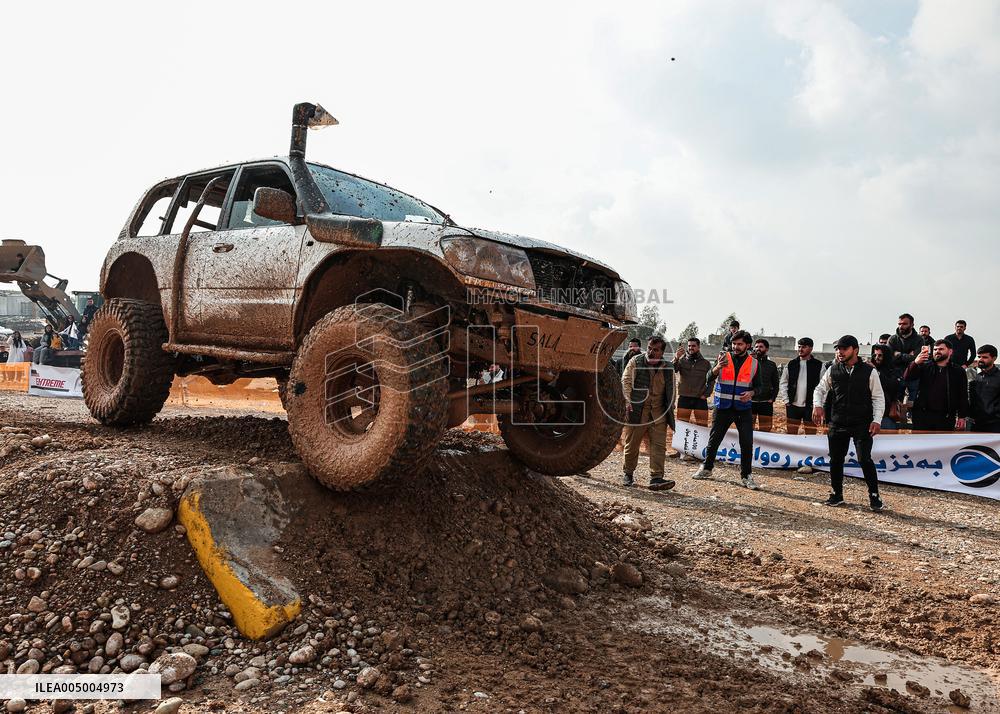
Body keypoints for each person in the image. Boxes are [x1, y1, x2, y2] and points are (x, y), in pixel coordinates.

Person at [812, 335, 886, 512]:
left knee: (864, 459)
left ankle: (874, 496)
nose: (839, 352)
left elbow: (878, 397)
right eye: (837, 349)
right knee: (836, 459)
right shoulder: (832, 370)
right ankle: (837, 494)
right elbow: (820, 389)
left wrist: (877, 420)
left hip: (862, 423)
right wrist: (817, 406)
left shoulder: (870, 371)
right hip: (837, 422)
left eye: (844, 349)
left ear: (855, 350)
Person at [690, 330, 763, 489]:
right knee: (714, 439)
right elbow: (709, 377)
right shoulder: (723, 357)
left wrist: (751, 393)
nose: (736, 347)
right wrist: (716, 368)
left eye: (740, 344)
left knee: (746, 443)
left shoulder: (754, 363)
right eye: (734, 343)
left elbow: (759, 387)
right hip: (722, 406)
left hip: (743, 409)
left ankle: (746, 476)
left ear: (748, 345)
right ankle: (707, 468)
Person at [621, 336, 676, 491]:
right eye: (650, 348)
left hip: (659, 413)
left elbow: (672, 389)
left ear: (662, 352)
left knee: (659, 446)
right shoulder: (636, 362)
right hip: (637, 411)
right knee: (632, 444)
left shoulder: (668, 367)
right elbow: (626, 381)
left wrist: (671, 408)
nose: (651, 352)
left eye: (656, 350)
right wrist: (627, 401)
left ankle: (656, 478)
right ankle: (628, 473)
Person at [903, 340, 969, 431]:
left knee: (944, 444)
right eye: (935, 349)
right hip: (922, 416)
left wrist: (962, 416)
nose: (937, 351)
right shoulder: (924, 367)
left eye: (941, 349)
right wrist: (915, 363)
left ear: (950, 351)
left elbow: (962, 395)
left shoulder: (958, 371)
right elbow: (907, 377)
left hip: (946, 417)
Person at [778, 337, 823, 435]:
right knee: (791, 434)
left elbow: (823, 386)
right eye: (799, 347)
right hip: (792, 406)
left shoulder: (819, 365)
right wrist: (786, 400)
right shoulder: (791, 364)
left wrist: (819, 404)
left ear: (811, 348)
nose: (800, 349)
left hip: (811, 407)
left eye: (804, 347)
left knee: (811, 434)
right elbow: (783, 383)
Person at [673, 337, 713, 429]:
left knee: (702, 426)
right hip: (684, 398)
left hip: (700, 399)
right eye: (689, 346)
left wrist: (706, 394)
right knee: (681, 426)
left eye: (693, 346)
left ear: (699, 347)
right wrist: (676, 357)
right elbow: (673, 369)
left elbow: (711, 380)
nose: (691, 348)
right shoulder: (681, 360)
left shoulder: (706, 363)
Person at [888, 313, 923, 405]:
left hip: (913, 375)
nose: (901, 326)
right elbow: (890, 358)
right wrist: (908, 355)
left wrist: (898, 354)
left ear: (912, 325)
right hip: (897, 375)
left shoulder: (919, 340)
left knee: (913, 403)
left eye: (904, 324)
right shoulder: (892, 339)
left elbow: (917, 358)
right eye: (899, 324)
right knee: (895, 404)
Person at [969, 345, 1000, 433]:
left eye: (985, 357)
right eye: (979, 357)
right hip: (976, 424)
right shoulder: (975, 377)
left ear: (994, 358)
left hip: (995, 424)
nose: (980, 360)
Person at [751, 338, 779, 432]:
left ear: (766, 349)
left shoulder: (771, 365)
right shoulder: (749, 363)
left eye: (761, 347)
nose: (758, 348)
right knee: (747, 428)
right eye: (756, 346)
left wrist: (773, 398)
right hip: (750, 401)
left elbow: (776, 383)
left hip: (766, 402)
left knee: (766, 429)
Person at [869, 344, 900, 430]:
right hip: (869, 414)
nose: (876, 358)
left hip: (886, 415)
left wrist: (876, 372)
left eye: (880, 355)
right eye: (875, 355)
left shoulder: (893, 370)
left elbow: (893, 386)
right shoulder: (869, 370)